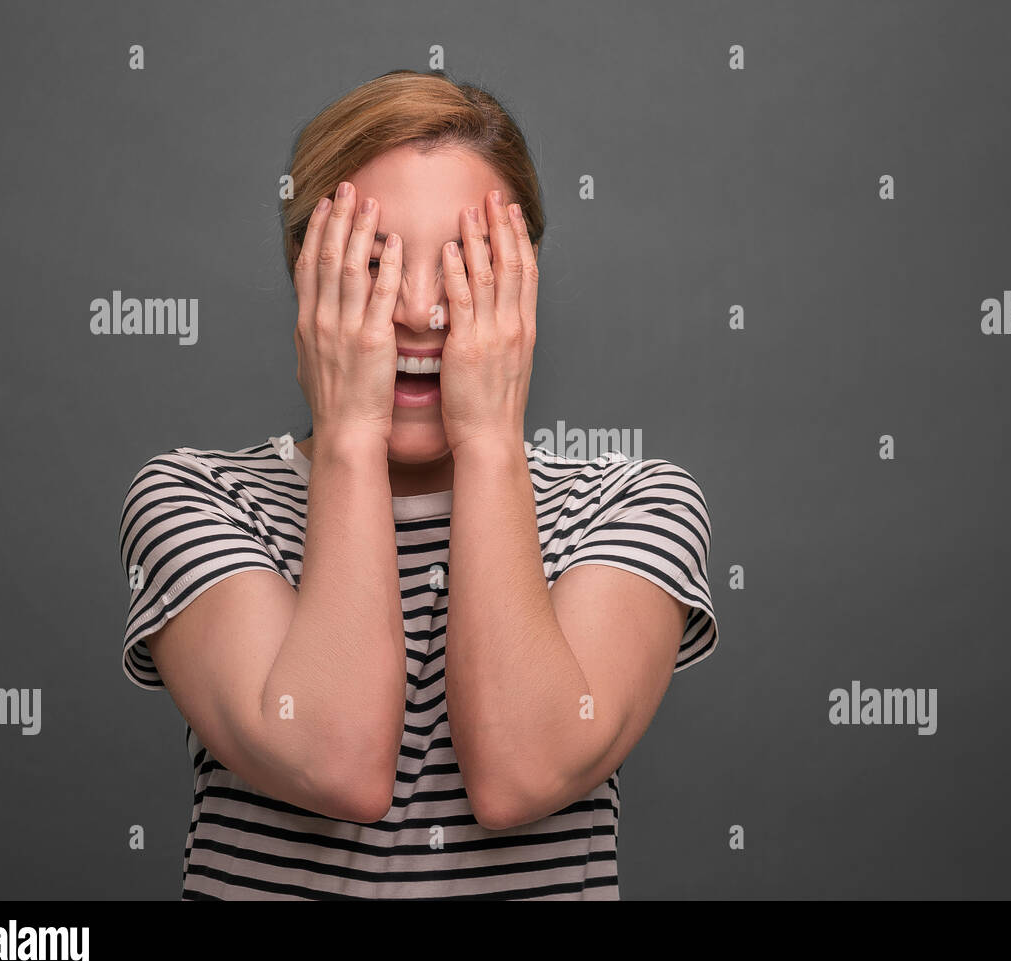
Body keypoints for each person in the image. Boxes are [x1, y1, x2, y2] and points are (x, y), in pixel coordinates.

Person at [118, 69, 719, 899]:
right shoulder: (194, 498)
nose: (420, 311)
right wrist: (352, 440)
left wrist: (489, 442)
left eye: (468, 264)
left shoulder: (634, 504)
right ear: (305, 277)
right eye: (371, 261)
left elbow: (522, 774)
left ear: (525, 279)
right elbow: (337, 764)